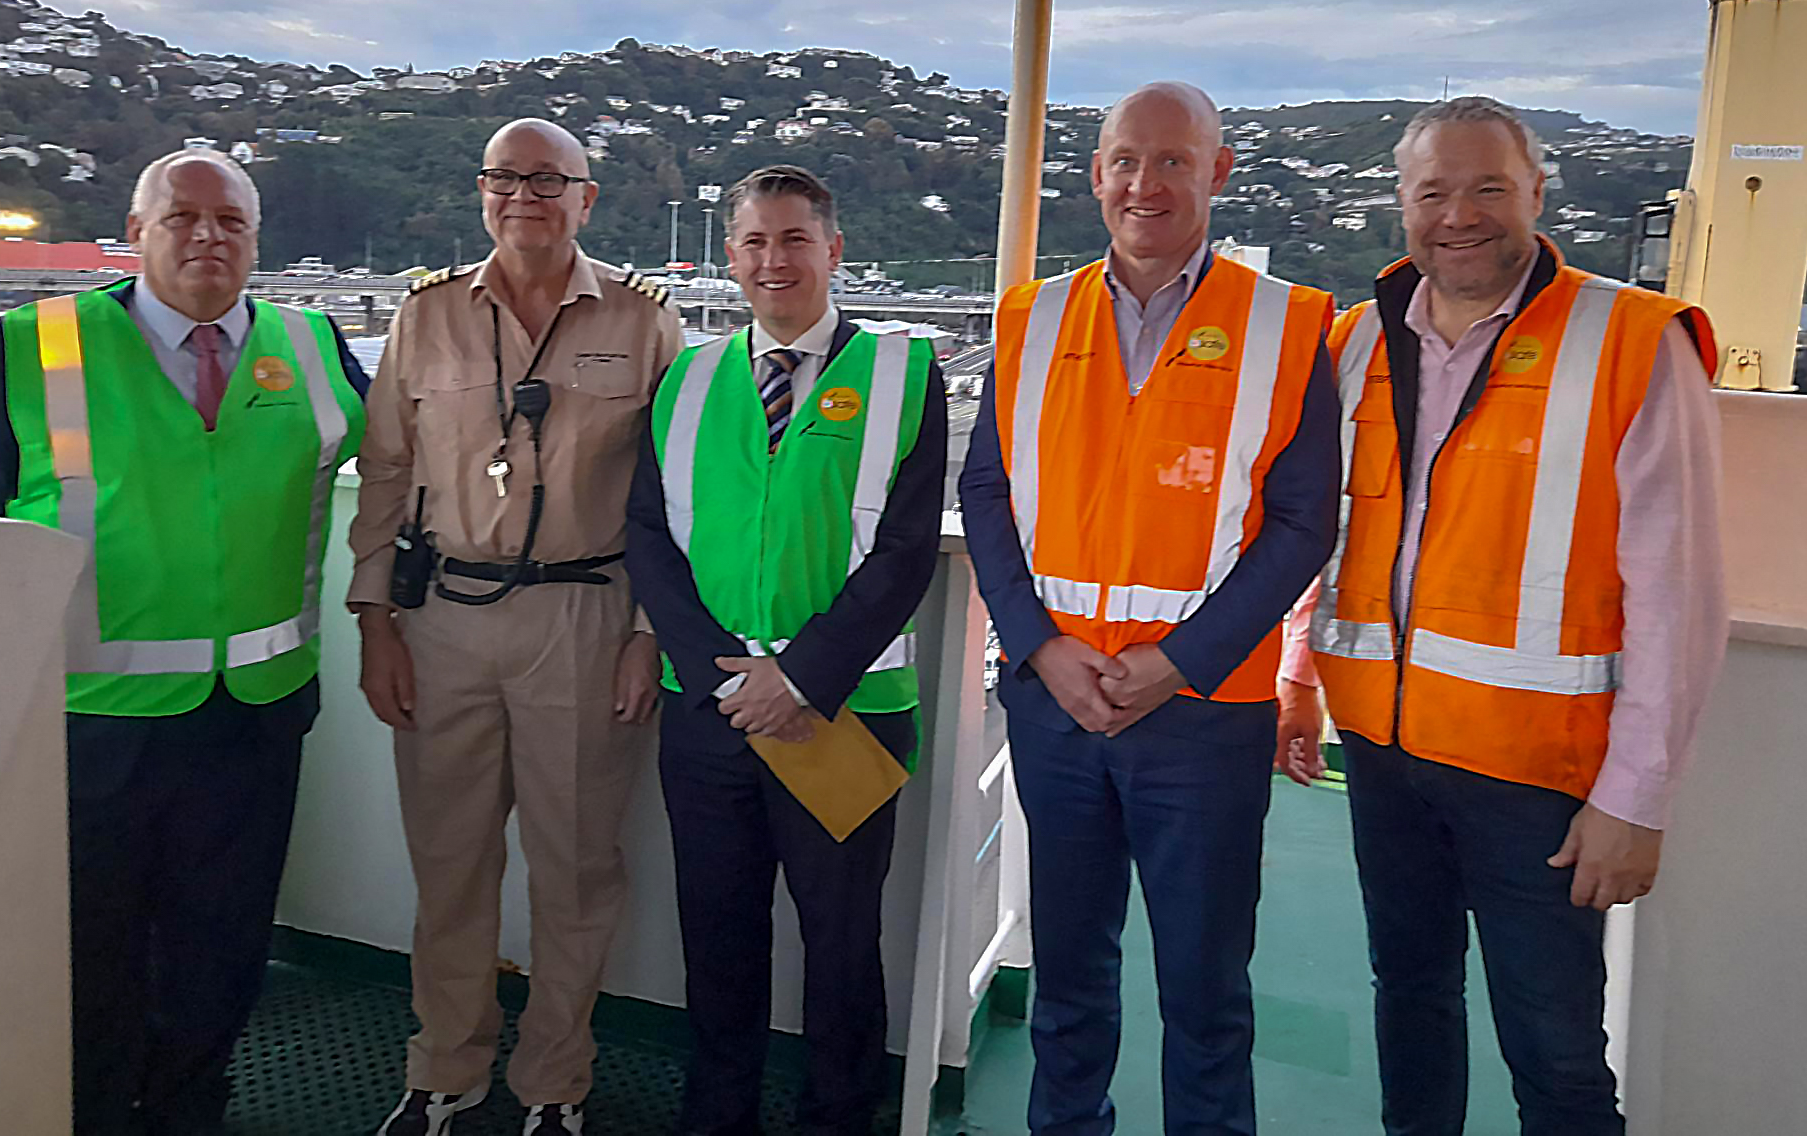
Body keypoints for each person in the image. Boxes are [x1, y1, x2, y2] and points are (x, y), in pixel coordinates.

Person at [1278, 96, 1726, 1135]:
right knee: (1411, 999)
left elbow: (1677, 587)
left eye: (1487, 187)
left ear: (1535, 192)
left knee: (1557, 1056)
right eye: (1433, 191)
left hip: (1537, 777)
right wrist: (1300, 674)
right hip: (1384, 753)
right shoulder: (1356, 344)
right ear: (1400, 203)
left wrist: (1638, 798)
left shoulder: (1629, 340)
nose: (1458, 215)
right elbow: (1332, 533)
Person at [0, 147, 369, 1135]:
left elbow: (421, 461)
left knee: (223, 948)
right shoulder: (23, 348)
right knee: (89, 953)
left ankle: (191, 1108)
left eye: (230, 221)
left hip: (255, 719)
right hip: (85, 726)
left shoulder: (317, 345)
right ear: (137, 228)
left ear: (255, 236)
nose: (207, 238)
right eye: (182, 218)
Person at [957, 83, 1340, 1136]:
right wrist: (1039, 648)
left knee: (1205, 995)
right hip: (1057, 706)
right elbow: (984, 492)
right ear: (1096, 175)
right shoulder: (1031, 317)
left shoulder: (1292, 325)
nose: (1146, 183)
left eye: (1173, 161)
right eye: (1126, 160)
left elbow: (1302, 526)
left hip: (1205, 715)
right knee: (1072, 987)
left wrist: (1180, 660)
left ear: (1217, 172)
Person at [350, 118, 682, 1136]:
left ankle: (554, 1085)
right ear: (480, 191)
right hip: (443, 616)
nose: (524, 194)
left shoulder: (642, 321)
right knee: (449, 862)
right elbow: (387, 475)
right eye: (505, 176)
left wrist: (647, 633)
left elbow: (671, 494)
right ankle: (444, 1068)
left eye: (549, 179)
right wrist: (374, 621)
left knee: (576, 867)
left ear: (588, 198)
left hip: (584, 620)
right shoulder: (426, 316)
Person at [624, 164, 947, 1136]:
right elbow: (647, 533)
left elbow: (902, 553)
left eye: (794, 239)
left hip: (844, 712)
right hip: (712, 711)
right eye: (755, 241)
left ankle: (838, 1113)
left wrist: (798, 677)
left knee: (842, 940)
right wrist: (727, 674)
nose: (774, 260)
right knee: (717, 935)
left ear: (833, 250)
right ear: (731, 256)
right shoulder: (683, 380)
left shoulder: (904, 374)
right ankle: (716, 1110)